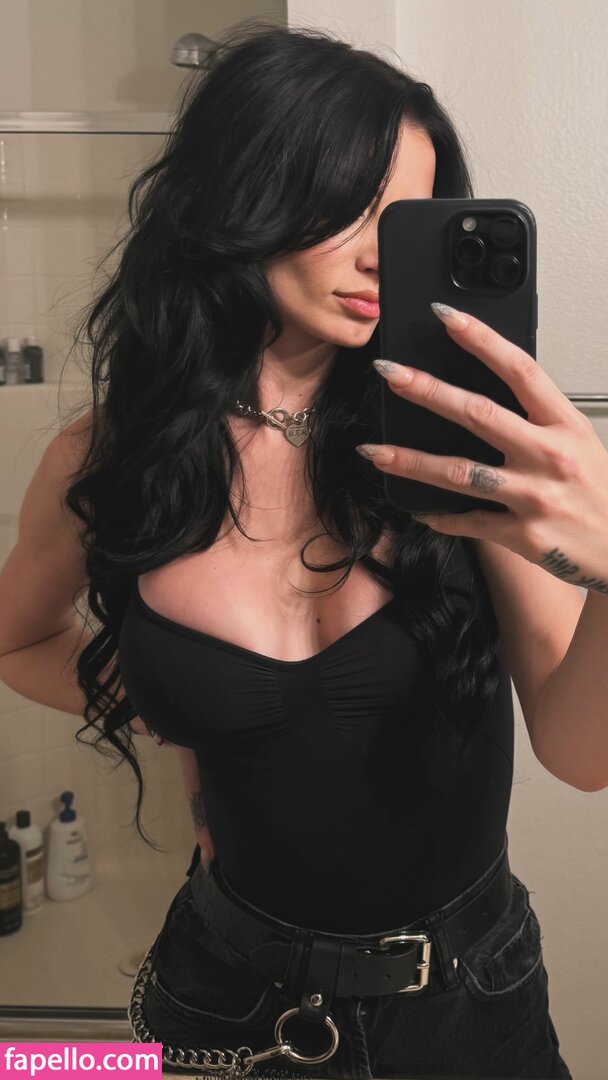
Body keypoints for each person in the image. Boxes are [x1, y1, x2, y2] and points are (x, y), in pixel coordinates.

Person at [8, 15, 604, 1080]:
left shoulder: (460, 446)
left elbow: (580, 750)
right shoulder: (106, 458)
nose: (380, 253)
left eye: (406, 218)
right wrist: (185, 708)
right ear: (247, 190)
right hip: (227, 999)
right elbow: (14, 639)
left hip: (466, 1004)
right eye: (351, 206)